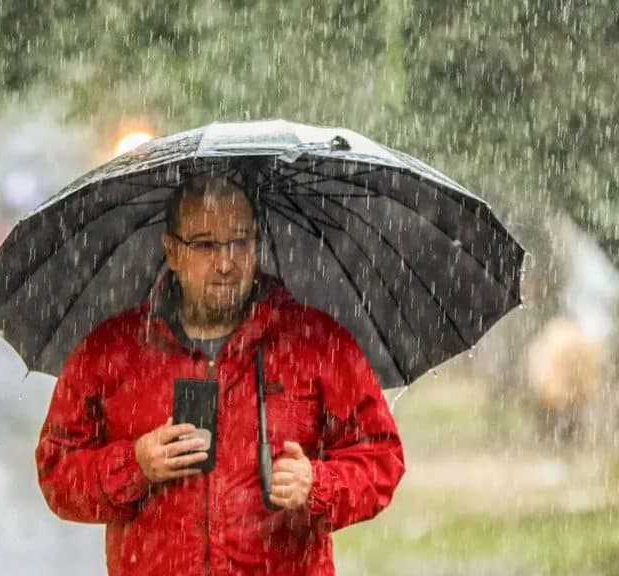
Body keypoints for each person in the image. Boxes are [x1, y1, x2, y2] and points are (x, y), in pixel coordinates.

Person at [35, 173, 406, 575]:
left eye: (240, 242)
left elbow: (380, 457)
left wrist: (317, 484)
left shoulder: (315, 342)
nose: (226, 263)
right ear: (172, 251)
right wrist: (134, 465)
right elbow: (57, 473)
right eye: (205, 244)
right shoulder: (111, 351)